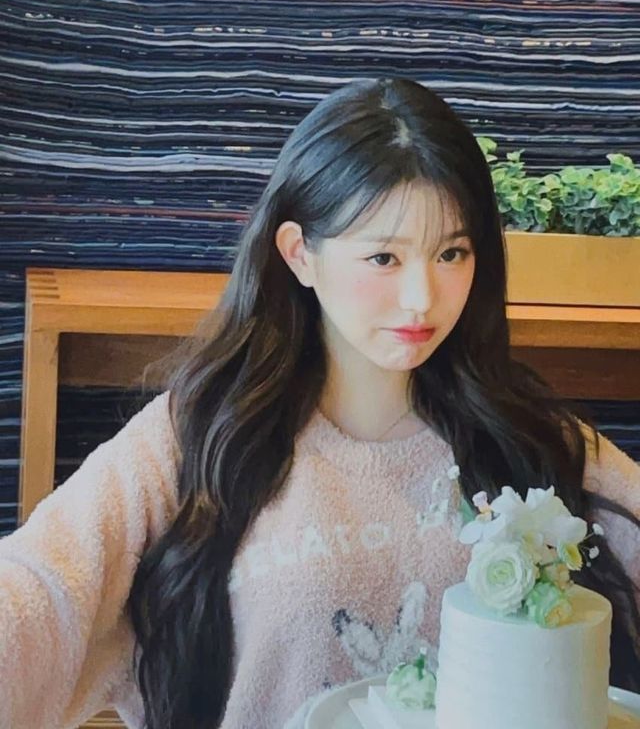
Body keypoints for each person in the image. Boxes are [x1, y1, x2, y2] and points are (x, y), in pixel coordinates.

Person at [0, 77, 638, 729]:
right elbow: (40, 588)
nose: (421, 297)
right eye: (384, 258)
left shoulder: (528, 435)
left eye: (451, 252)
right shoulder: (199, 434)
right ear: (300, 254)